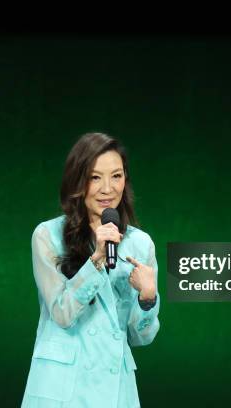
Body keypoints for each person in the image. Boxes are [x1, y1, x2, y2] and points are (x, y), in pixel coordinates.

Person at [21, 132, 160, 407]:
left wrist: (148, 298)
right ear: (78, 182)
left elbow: (141, 336)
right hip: (63, 388)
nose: (108, 189)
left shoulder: (140, 244)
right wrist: (96, 260)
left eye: (117, 176)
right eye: (95, 177)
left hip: (115, 389)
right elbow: (61, 313)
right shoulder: (47, 236)